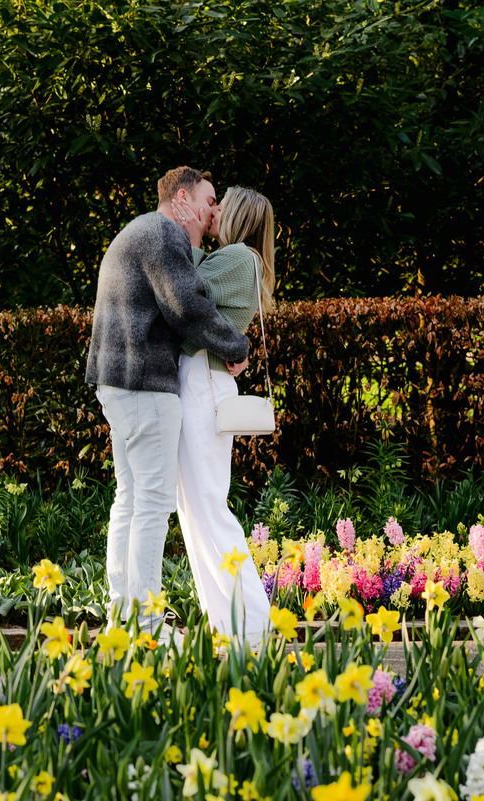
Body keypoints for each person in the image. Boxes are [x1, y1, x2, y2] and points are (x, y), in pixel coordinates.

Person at [85, 167, 251, 639]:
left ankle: (125, 615)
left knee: (131, 499)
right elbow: (188, 306)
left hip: (115, 381)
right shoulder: (162, 235)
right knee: (153, 504)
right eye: (208, 199)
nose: (212, 211)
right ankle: (149, 625)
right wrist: (235, 348)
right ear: (182, 198)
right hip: (144, 382)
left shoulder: (139, 230)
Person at [171, 186, 275, 644]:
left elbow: (187, 289)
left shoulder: (240, 258)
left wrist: (186, 235)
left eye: (219, 205)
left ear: (236, 215)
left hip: (205, 382)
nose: (211, 211)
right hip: (199, 380)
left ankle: (254, 627)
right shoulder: (238, 258)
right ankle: (229, 627)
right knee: (194, 510)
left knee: (208, 508)